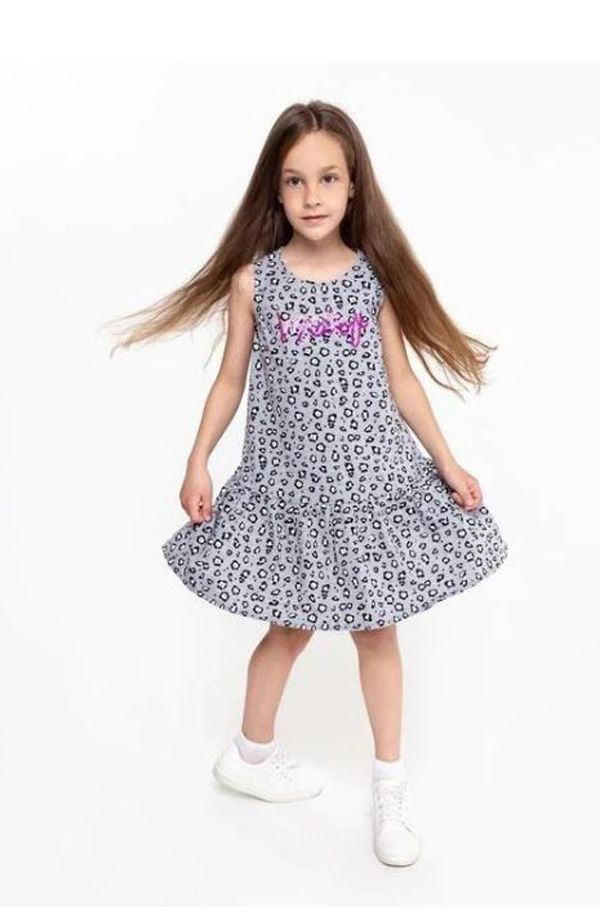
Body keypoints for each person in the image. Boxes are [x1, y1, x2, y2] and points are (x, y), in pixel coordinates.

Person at [107, 100, 509, 867]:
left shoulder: (373, 280)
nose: (313, 195)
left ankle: (389, 784)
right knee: (288, 626)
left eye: (328, 178)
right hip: (292, 493)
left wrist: (448, 460)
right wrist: (198, 458)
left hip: (371, 489)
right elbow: (231, 380)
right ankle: (249, 755)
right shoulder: (254, 283)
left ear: (354, 186)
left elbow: (402, 381)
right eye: (295, 181)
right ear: (277, 189)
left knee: (377, 629)